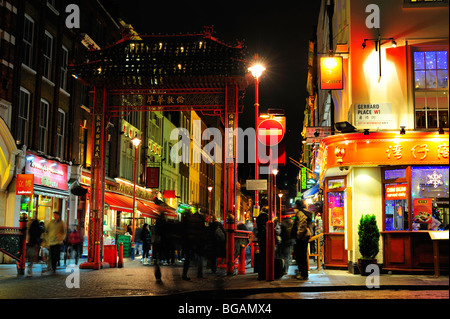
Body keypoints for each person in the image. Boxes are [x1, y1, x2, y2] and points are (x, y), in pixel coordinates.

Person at [182, 210, 206, 280]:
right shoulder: (200, 220)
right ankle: (199, 273)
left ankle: (184, 274)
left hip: (189, 240)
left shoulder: (190, 220)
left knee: (187, 257)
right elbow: (203, 230)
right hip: (198, 240)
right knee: (199, 256)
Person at [292, 200, 312, 280]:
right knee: (302, 255)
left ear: (297, 205)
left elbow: (302, 224)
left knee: (301, 255)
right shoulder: (305, 212)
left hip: (302, 237)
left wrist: (298, 235)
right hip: (305, 236)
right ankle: (303, 273)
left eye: (295, 204)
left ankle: (303, 274)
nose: (294, 206)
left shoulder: (301, 213)